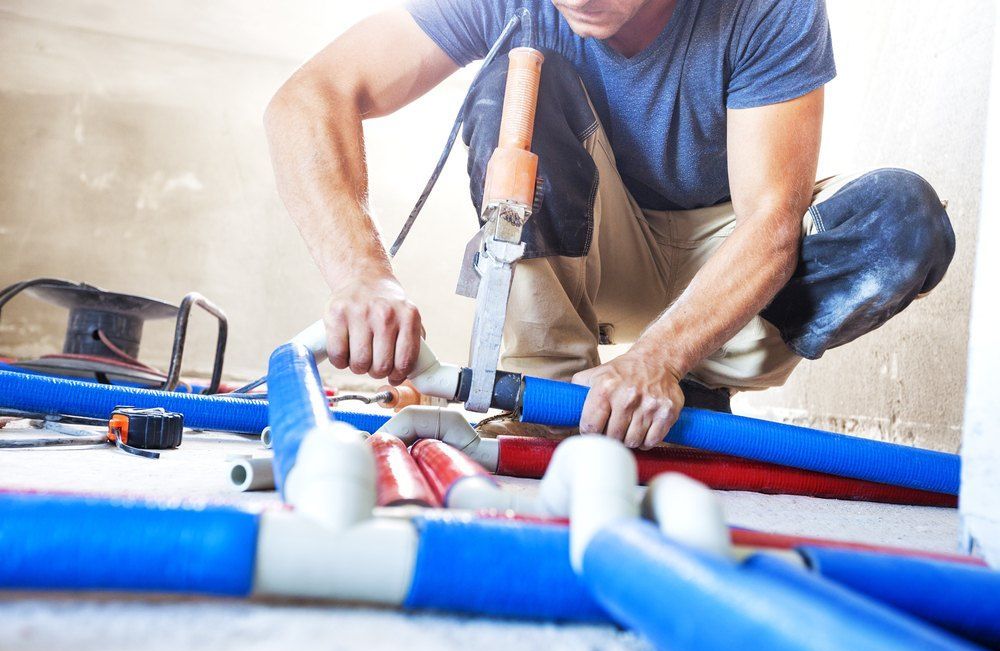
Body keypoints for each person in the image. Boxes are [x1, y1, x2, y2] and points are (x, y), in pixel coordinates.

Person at [264, 0, 955, 449]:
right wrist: (363, 274)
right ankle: (545, 403)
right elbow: (311, 96)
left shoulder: (769, 7)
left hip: (732, 265)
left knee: (901, 223)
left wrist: (658, 359)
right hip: (600, 248)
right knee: (519, 82)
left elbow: (771, 222)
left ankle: (691, 373)